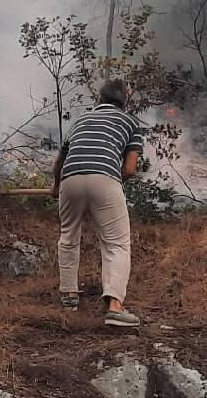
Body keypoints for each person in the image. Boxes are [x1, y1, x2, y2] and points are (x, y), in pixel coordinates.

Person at [51, 79, 144, 327]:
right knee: (116, 244)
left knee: (68, 236)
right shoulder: (131, 122)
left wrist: (56, 186)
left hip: (70, 179)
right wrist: (111, 180)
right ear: (125, 101)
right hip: (105, 179)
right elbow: (130, 168)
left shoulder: (81, 120)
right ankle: (114, 306)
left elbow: (59, 162)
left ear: (99, 100)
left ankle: (69, 295)